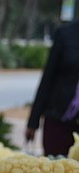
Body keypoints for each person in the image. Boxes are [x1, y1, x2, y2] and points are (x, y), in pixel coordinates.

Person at [25, 19, 79, 156]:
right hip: (58, 120)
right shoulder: (65, 34)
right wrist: (33, 121)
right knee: (54, 166)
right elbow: (48, 78)